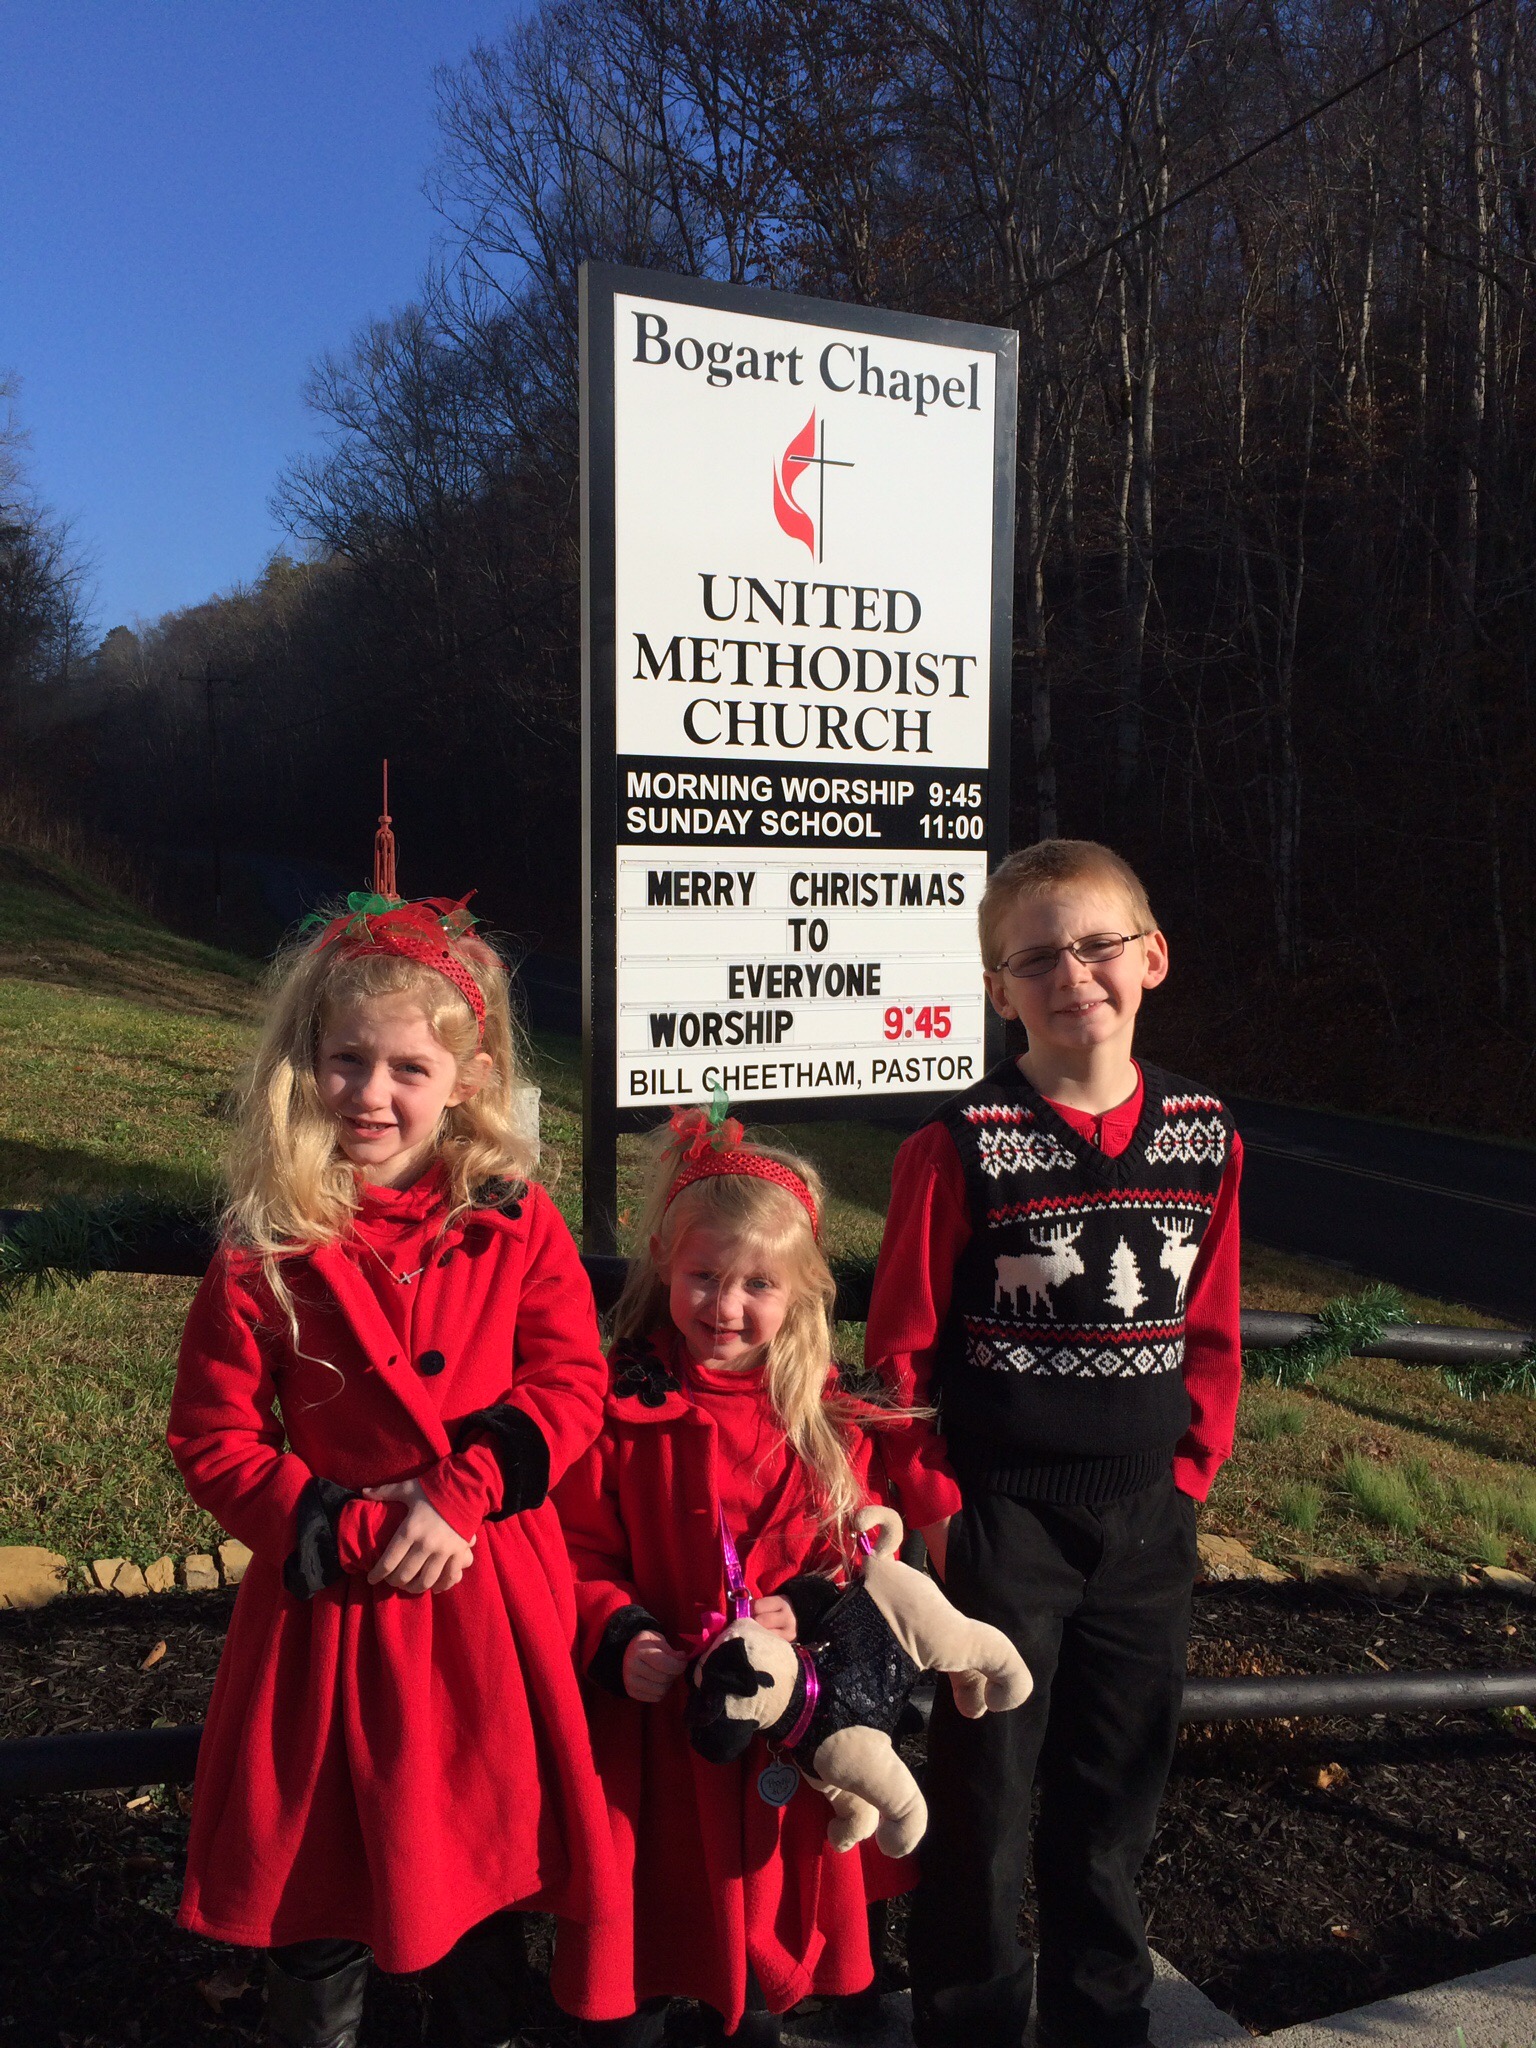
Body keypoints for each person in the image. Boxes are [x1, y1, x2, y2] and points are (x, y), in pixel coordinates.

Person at [167, 893, 625, 2048]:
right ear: (307, 1060)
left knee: (480, 1861)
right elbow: (212, 1432)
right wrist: (341, 1525)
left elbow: (572, 1381)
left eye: (409, 1067)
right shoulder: (265, 1239)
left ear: (467, 1077)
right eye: (348, 1060)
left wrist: (462, 1492)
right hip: (330, 1608)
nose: (372, 1093)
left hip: (483, 1590)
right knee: (319, 1875)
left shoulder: (516, 1219)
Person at [865, 839, 1244, 2048]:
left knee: (1115, 1793)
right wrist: (937, 1513)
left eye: (1096, 945)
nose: (1072, 973)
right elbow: (899, 1356)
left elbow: (1212, 1324)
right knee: (983, 1795)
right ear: (999, 989)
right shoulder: (958, 1144)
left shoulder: (1205, 1133)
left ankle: (1104, 2018)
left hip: (1145, 1523)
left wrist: (1189, 1473)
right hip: (1000, 1521)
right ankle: (970, 2019)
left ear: (1153, 956)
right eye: (1036, 957)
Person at [553, 1108, 957, 2047]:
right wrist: (616, 1631)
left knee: (761, 1919)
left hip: (788, 1723)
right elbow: (573, 1552)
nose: (725, 1307)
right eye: (704, 1277)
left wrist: (810, 1605)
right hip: (656, 1724)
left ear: (799, 1292)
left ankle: (753, 2013)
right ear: (665, 1264)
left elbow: (861, 1552)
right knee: (652, 1917)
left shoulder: (827, 1419)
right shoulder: (617, 1408)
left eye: (757, 1285)